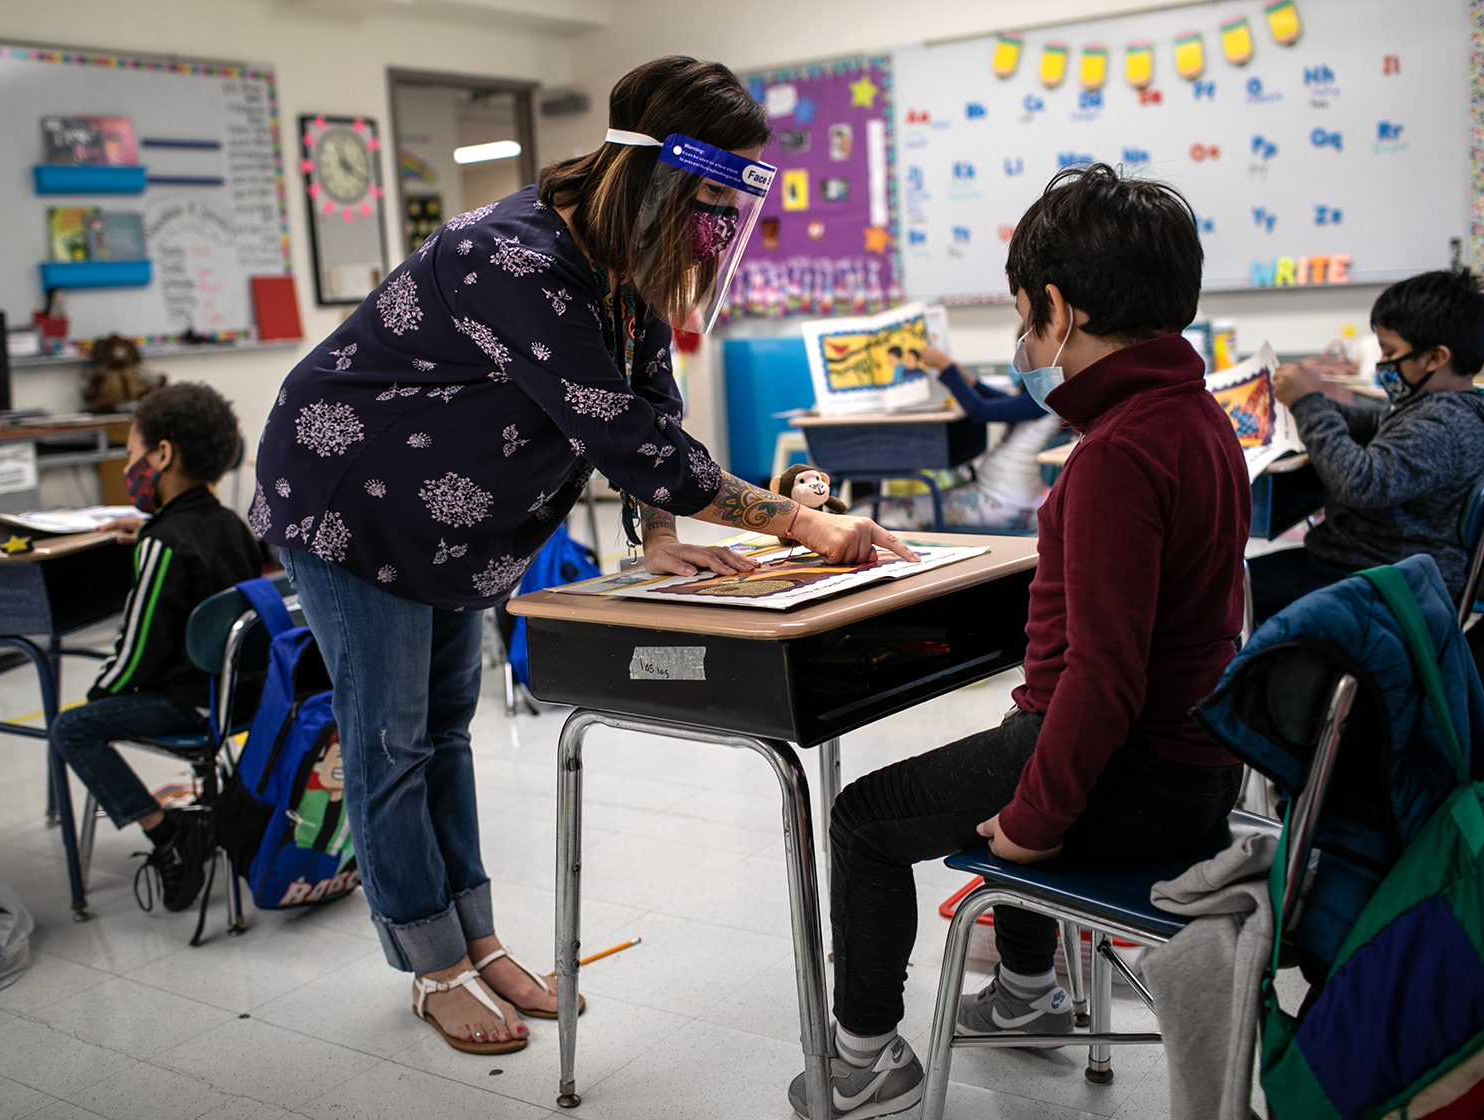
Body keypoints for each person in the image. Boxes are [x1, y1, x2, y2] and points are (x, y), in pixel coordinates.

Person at [251, 56, 915, 1057]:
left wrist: (661, 532)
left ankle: (478, 936)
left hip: (445, 515)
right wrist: (796, 522)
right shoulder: (511, 257)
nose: (722, 212)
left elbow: (647, 399)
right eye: (717, 183)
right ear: (664, 170)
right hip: (352, 501)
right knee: (386, 741)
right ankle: (432, 967)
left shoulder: (620, 250)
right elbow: (614, 428)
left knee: (441, 730)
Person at [788, 164, 1247, 1119]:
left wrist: (1037, 820)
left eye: (1027, 321)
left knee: (865, 820)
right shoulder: (1197, 417)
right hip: (1197, 767)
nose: (1028, 344)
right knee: (1019, 744)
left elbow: (1104, 682)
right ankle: (1027, 994)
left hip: (1136, 771)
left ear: (1057, 308)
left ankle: (866, 1060)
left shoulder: (1116, 452)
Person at [49, 382, 261, 912]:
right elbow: (198, 549)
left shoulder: (165, 545)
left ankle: (166, 831)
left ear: (162, 454)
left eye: (130, 453)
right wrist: (152, 528)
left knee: (71, 727)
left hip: (190, 705)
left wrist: (100, 695)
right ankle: (189, 824)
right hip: (237, 700)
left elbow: (135, 654)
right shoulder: (231, 526)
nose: (129, 467)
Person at [1253, 268, 1484, 622]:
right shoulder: (1453, 408)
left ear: (1436, 357)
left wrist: (1309, 404)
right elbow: (1377, 424)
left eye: (1390, 351)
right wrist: (1312, 402)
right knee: (1234, 582)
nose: (1381, 363)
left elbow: (1361, 483)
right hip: (1376, 565)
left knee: (1227, 591)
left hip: (1383, 582)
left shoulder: (1442, 426)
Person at [867, 343, 1062, 531]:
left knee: (891, 513)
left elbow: (980, 410)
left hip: (1002, 504)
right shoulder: (1047, 395)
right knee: (896, 507)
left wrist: (945, 366)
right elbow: (1003, 402)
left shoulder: (1045, 398)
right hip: (1003, 500)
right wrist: (968, 380)